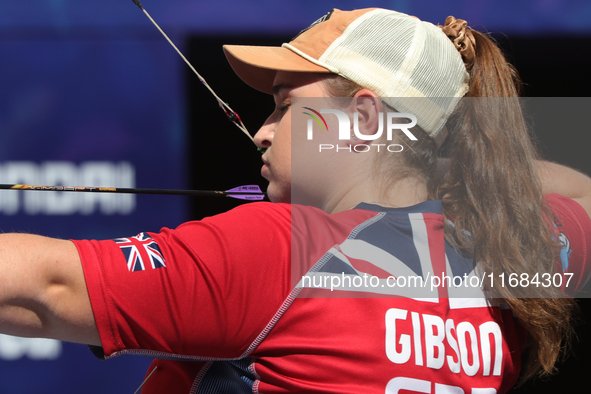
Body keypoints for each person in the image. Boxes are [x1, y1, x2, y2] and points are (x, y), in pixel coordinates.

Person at [0, 7, 590, 394]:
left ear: (362, 117)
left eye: (285, 105)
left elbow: (42, 286)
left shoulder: (281, 250)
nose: (262, 130)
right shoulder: (514, 245)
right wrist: (429, 157)